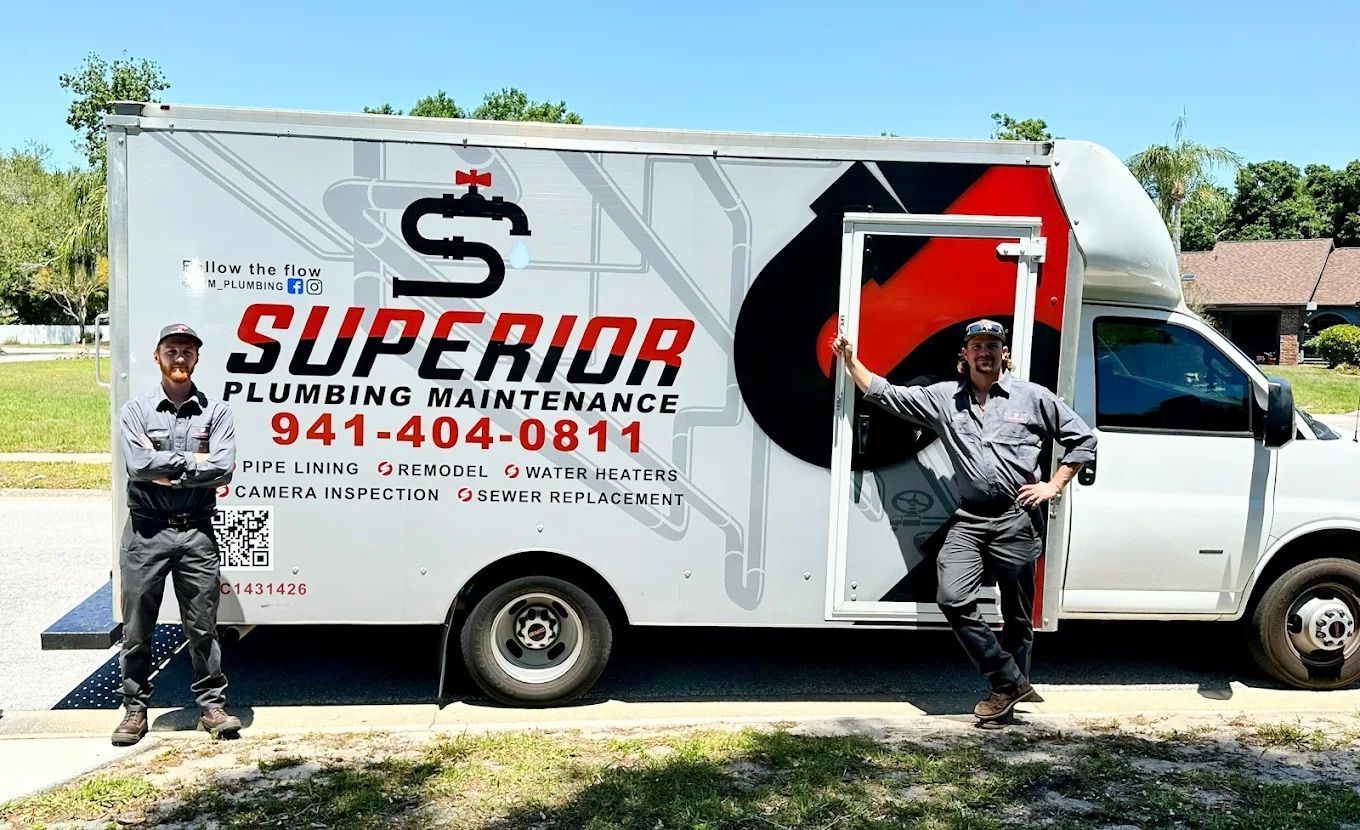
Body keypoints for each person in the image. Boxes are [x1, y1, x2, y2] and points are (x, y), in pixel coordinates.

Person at [830, 319, 1096, 723]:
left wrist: (1052, 486)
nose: (984, 352)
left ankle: (1003, 701)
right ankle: (1008, 679)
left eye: (992, 345)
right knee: (952, 598)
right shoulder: (944, 399)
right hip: (969, 518)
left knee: (1019, 617)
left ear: (1004, 354)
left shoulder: (1033, 398)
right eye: (977, 345)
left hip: (1017, 517)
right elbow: (889, 395)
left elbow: (1083, 440)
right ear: (964, 356)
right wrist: (851, 362)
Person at [111, 323, 240, 746]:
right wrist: (192, 465)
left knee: (202, 626)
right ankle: (134, 709)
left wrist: (169, 469)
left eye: (187, 350)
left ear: (197, 358)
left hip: (196, 534)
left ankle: (212, 706)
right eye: (171, 350)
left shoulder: (216, 411)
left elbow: (222, 467)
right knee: (137, 627)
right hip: (146, 532)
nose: (179, 358)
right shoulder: (136, 410)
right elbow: (138, 466)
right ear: (157, 356)